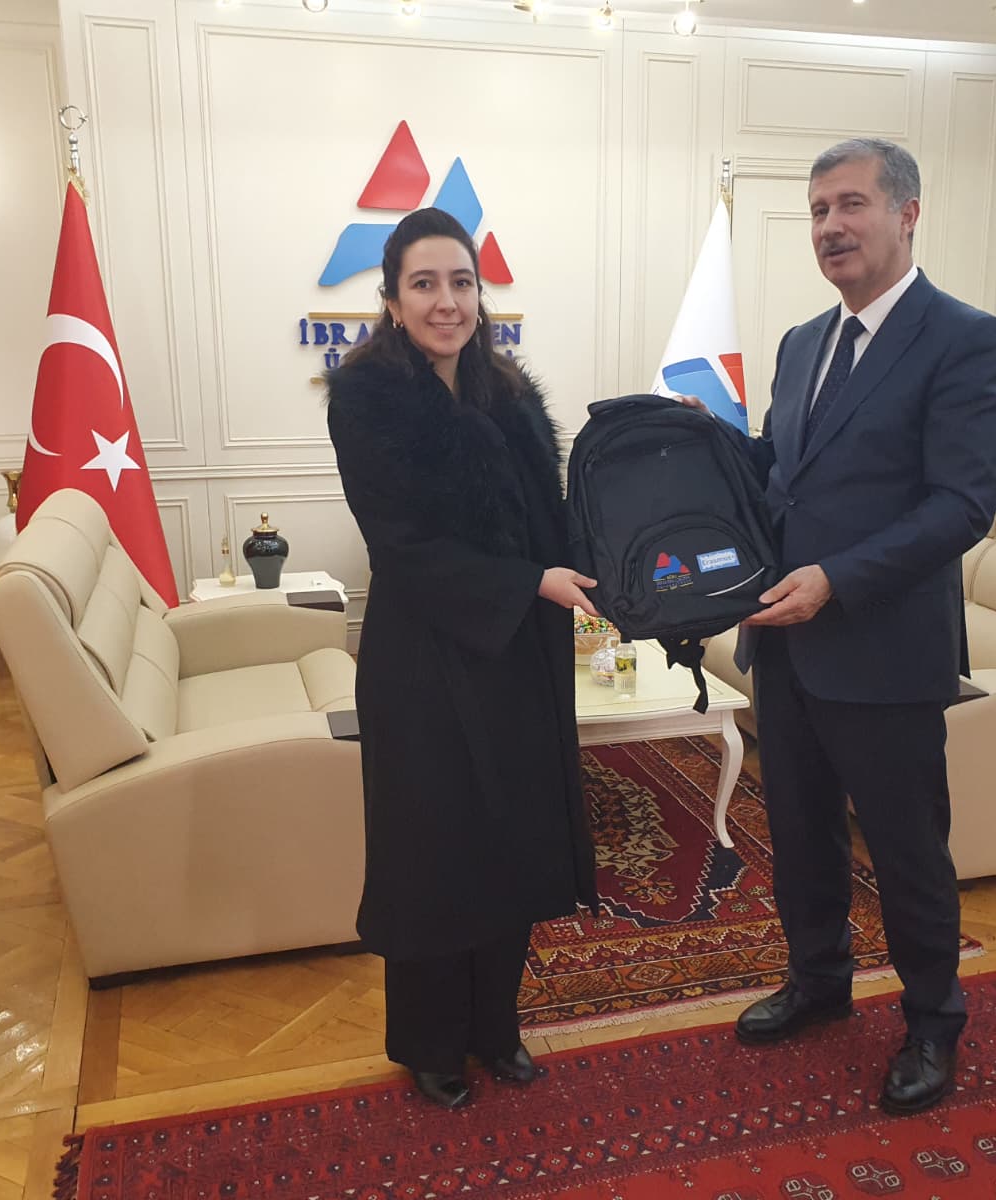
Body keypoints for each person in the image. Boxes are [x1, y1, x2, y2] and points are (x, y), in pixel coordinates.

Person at [722, 138, 996, 1115]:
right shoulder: (802, 341)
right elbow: (781, 474)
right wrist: (690, 461)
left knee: (905, 851)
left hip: (885, 652)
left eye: (850, 204)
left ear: (906, 213)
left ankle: (932, 1022)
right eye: (818, 210)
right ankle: (818, 982)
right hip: (786, 645)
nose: (830, 226)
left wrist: (836, 581)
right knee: (799, 833)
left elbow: (961, 504)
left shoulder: (968, 339)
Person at [326, 208, 598, 1111]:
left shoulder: (509, 393)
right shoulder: (367, 398)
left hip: (517, 656)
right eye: (425, 284)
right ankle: (431, 1043)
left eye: (461, 282)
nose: (446, 302)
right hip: (425, 664)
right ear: (392, 299)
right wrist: (530, 583)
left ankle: (496, 1028)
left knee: (509, 846)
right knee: (436, 857)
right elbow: (403, 547)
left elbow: (551, 520)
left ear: (480, 294)